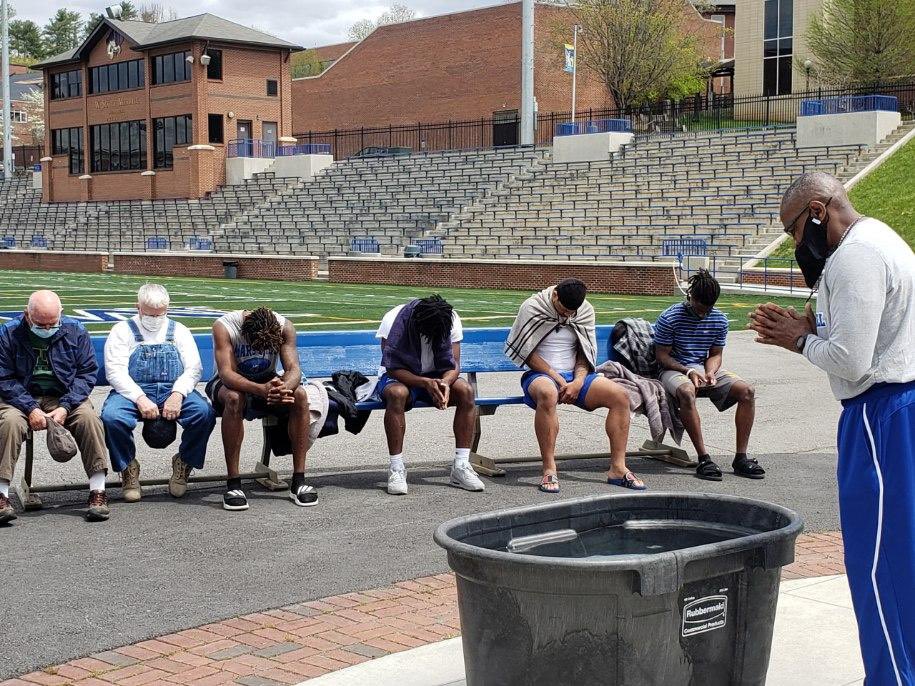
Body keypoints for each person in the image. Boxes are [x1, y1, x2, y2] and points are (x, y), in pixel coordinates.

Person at [749, 172, 915, 685]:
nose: (798, 245)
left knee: (877, 566)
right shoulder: (884, 238)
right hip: (899, 407)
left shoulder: (855, 257)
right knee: (902, 557)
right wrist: (816, 329)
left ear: (818, 212)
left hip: (878, 418)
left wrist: (797, 340)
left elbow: (853, 359)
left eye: (795, 231)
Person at [505, 278, 644, 493]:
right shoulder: (532, 307)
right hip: (540, 373)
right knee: (548, 393)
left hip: (576, 374)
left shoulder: (584, 311)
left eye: (571, 312)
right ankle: (549, 468)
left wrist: (578, 381)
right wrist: (557, 378)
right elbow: (526, 353)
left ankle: (618, 467)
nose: (566, 316)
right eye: (563, 310)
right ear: (555, 296)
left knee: (620, 396)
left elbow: (584, 353)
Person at [0, 290, 109, 523]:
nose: (48, 329)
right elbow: (4, 378)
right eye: (41, 324)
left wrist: (67, 406)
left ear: (61, 314)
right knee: (9, 423)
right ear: (27, 316)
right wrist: (30, 408)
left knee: (89, 420)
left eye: (53, 323)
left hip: (63, 395)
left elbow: (86, 373)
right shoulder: (8, 333)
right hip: (20, 396)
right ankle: (1, 495)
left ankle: (98, 491)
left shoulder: (76, 330)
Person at [100, 284, 216, 502]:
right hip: (133, 391)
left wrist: (178, 394)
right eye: (148, 313)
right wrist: (140, 398)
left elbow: (194, 368)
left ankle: (184, 462)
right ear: (138, 307)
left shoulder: (179, 330)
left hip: (172, 389)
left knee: (203, 413)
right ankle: (127, 467)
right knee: (112, 417)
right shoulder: (122, 331)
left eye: (159, 314)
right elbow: (115, 372)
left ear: (167, 309)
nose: (154, 318)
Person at [653, 270, 761, 481]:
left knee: (747, 391)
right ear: (690, 297)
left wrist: (710, 372)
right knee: (686, 391)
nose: (703, 314)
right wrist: (689, 371)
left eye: (708, 309)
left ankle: (741, 457)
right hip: (674, 369)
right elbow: (662, 356)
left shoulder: (719, 319)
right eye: (699, 309)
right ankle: (704, 458)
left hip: (704, 368)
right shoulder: (670, 317)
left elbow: (716, 354)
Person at [208, 307, 315, 511]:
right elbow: (226, 374)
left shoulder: (285, 327)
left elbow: (294, 369)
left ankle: (299, 480)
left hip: (266, 379)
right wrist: (260, 390)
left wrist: (283, 388)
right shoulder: (224, 326)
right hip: (228, 383)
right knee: (233, 398)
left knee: (300, 395)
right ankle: (233, 483)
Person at [375, 295, 484, 495]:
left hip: (436, 375)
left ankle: (460, 466)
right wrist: (425, 383)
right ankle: (396, 468)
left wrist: (445, 383)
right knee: (397, 394)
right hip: (401, 375)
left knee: (466, 391)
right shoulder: (394, 319)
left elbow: (454, 364)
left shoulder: (450, 318)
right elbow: (392, 368)